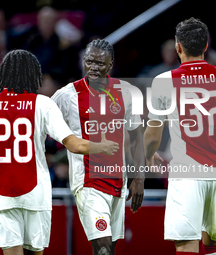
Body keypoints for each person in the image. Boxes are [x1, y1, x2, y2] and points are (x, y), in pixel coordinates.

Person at [0, 49, 119, 255]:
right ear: (33, 74)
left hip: (3, 195)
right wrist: (102, 147)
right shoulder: (42, 104)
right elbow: (74, 145)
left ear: (4, 74)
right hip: (35, 193)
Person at [144, 17, 216, 255]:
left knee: (187, 247)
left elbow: (153, 134)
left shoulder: (163, 82)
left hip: (187, 175)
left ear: (178, 47)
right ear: (206, 46)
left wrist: (148, 156)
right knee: (215, 245)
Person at [52, 38, 149, 255]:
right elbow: (42, 125)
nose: (93, 68)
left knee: (108, 250)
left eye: (99, 64)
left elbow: (136, 138)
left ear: (111, 65)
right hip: (88, 182)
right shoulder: (67, 95)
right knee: (103, 247)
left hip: (117, 181)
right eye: (89, 62)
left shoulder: (126, 91)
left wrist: (139, 177)